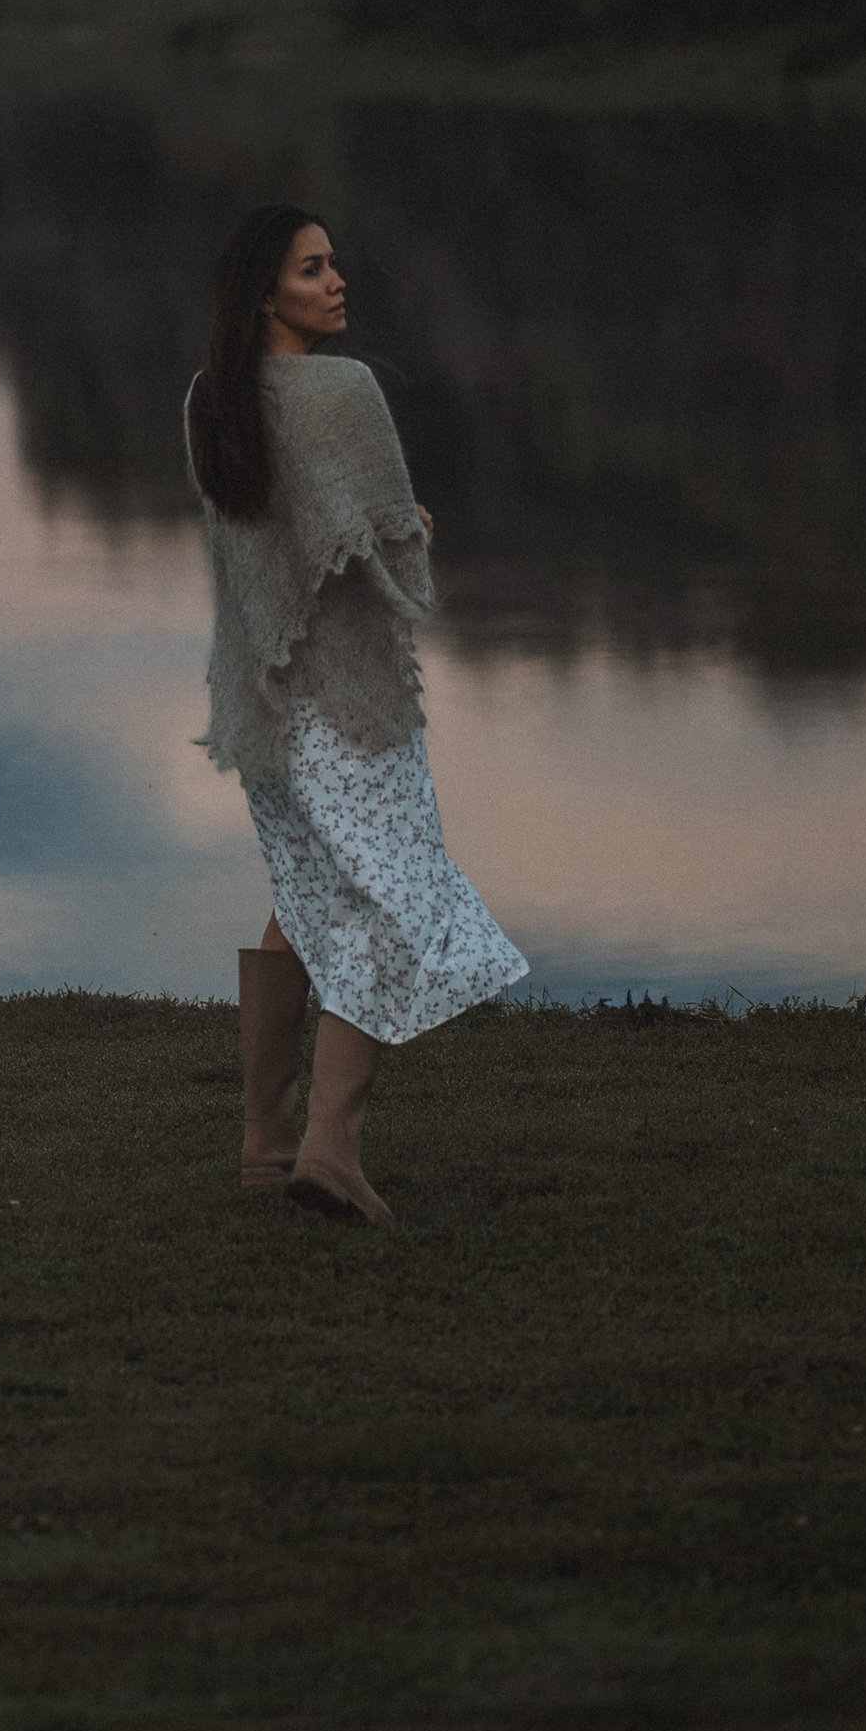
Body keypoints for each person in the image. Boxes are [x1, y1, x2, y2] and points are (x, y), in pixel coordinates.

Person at [188, 202, 526, 1224]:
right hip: (345, 697)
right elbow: (389, 553)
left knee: (309, 897)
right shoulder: (343, 390)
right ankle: (330, 1148)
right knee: (394, 896)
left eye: (333, 265)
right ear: (265, 292)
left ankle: (263, 1143)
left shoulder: (211, 398)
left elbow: (267, 548)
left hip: (262, 699)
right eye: (310, 270)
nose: (336, 283)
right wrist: (411, 526)